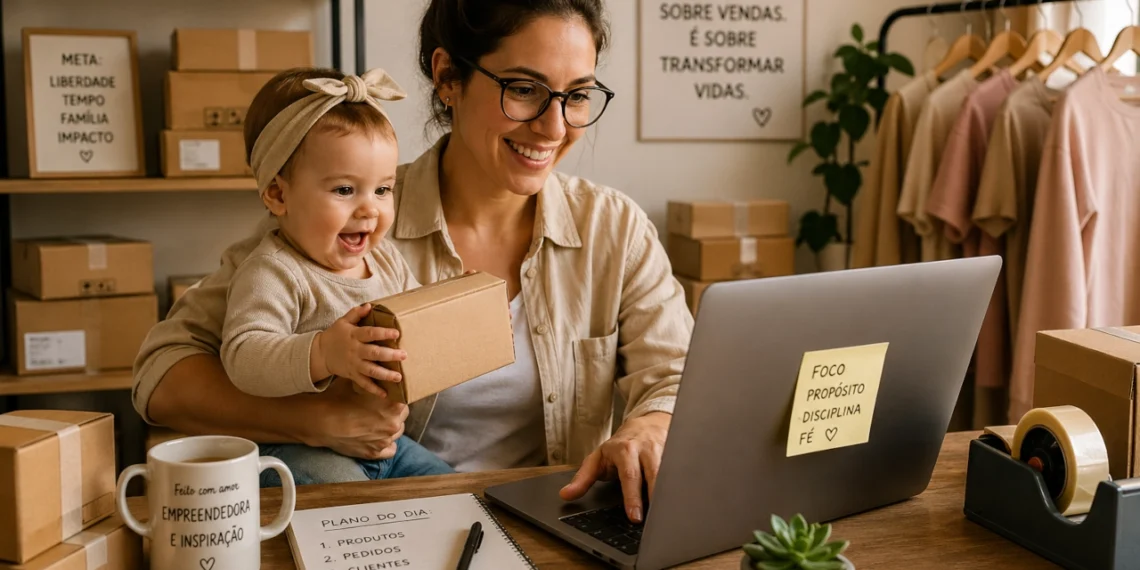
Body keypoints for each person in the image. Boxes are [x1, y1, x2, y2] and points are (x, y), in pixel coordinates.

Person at [132, 0, 692, 525]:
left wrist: (649, 426)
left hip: (548, 527)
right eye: (524, 89)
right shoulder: (347, 219)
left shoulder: (612, 228)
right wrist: (313, 420)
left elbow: (677, 375)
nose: (554, 127)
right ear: (448, 77)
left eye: (577, 95)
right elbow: (161, 376)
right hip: (389, 526)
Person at [218, 66, 454, 484]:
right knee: (349, 507)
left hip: (389, 443)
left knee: (452, 490)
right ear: (278, 194)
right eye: (345, 190)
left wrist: (458, 306)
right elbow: (243, 354)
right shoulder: (274, 271)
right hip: (297, 448)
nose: (370, 209)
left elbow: (418, 318)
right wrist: (323, 353)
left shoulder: (386, 260)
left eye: (383, 189)